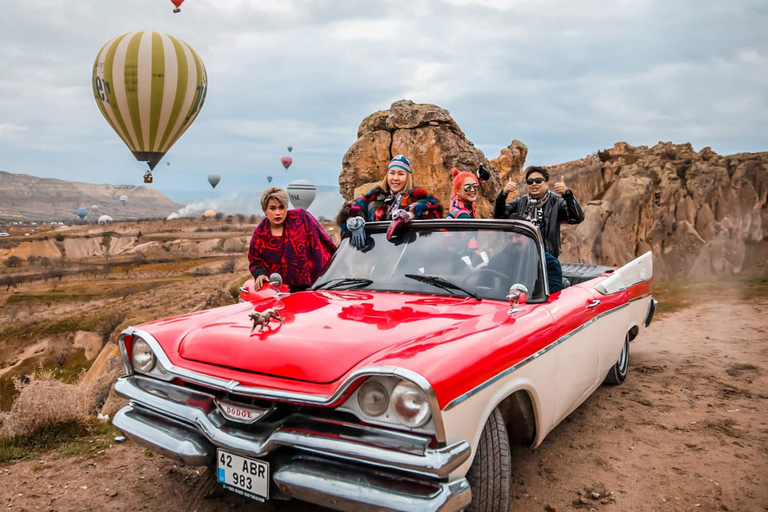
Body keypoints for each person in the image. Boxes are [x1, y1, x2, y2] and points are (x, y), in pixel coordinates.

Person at [493, 166, 584, 293]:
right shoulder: (521, 201)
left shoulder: (557, 201)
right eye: (530, 181)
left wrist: (567, 195)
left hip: (546, 261)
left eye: (538, 181)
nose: (534, 184)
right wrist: (503, 195)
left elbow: (577, 218)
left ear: (546, 183)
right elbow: (499, 215)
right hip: (520, 258)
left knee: (544, 295)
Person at [338, 155, 443, 245]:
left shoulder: (415, 196)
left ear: (408, 177)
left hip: (407, 253)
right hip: (375, 254)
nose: (395, 178)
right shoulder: (376, 196)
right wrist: (353, 220)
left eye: (401, 174)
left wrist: (409, 215)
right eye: (392, 173)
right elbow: (352, 208)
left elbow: (434, 208)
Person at [248, 187, 336, 292]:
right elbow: (255, 260)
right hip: (279, 291)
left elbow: (324, 240)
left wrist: (338, 261)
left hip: (313, 287)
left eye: (281, 207)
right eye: (272, 208)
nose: (278, 213)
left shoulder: (302, 219)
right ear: (265, 210)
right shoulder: (260, 232)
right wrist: (260, 274)